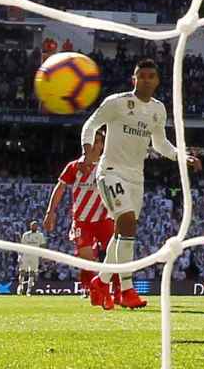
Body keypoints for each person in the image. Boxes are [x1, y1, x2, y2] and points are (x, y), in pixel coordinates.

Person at [80, 58, 202, 310]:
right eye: (141, 75)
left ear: (157, 81)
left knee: (123, 232)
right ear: (133, 79)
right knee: (126, 222)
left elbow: (160, 143)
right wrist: (86, 150)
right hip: (110, 172)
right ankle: (126, 289)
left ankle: (101, 281)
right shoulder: (117, 103)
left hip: (137, 178)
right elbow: (91, 124)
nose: (146, 79)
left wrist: (182, 156)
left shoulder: (158, 110)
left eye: (150, 76)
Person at [44, 127, 121, 302]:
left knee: (115, 255)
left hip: (104, 220)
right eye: (92, 141)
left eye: (99, 141)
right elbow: (60, 187)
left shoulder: (108, 166)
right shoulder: (74, 167)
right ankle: (92, 290)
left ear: (102, 145)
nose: (95, 145)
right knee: (86, 258)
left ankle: (117, 290)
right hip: (82, 221)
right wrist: (51, 211)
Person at [17, 221, 46, 296]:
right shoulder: (26, 235)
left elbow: (43, 245)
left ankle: (29, 290)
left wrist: (43, 255)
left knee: (32, 273)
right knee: (22, 271)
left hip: (35, 256)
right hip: (26, 255)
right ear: (30, 226)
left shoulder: (40, 235)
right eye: (33, 225)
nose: (34, 227)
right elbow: (22, 246)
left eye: (36, 225)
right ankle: (20, 287)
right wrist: (20, 256)